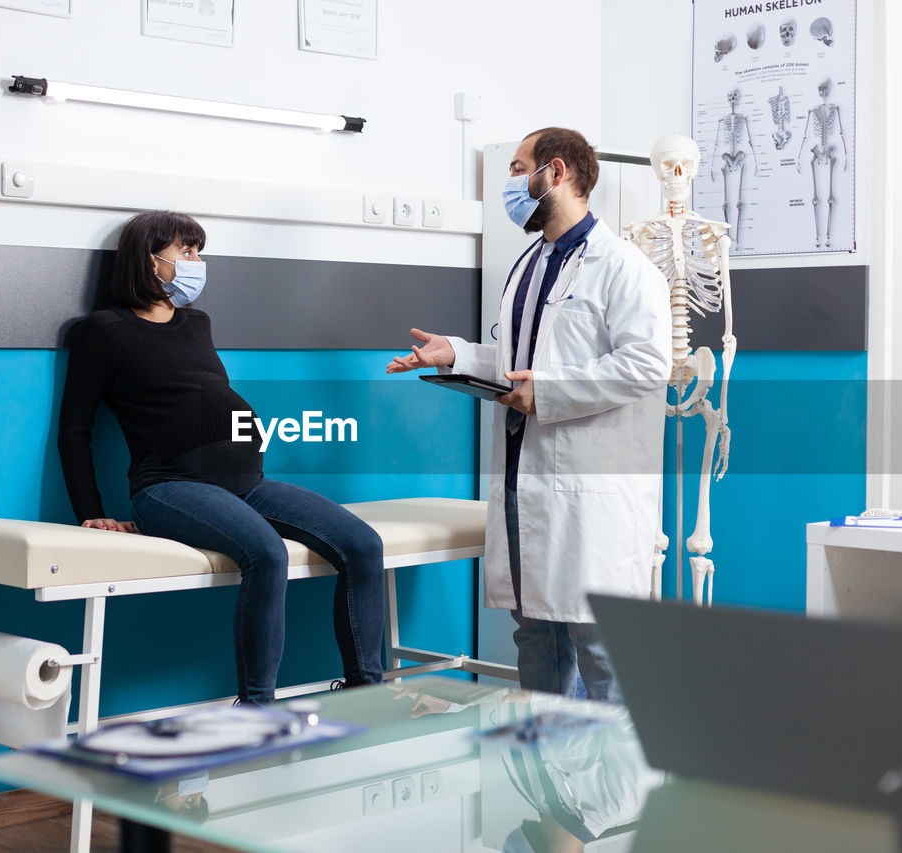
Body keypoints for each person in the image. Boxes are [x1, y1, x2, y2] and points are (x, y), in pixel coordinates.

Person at [387, 128, 670, 702]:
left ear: (557, 172)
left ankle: (615, 792)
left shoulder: (624, 267)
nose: (510, 183)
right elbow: (529, 362)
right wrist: (460, 354)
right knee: (536, 638)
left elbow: (647, 365)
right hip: (528, 482)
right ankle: (547, 786)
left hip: (592, 492)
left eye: (518, 169)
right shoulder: (528, 265)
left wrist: (551, 392)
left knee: (599, 650)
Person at [58, 210, 385, 705]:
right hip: (169, 485)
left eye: (197, 251)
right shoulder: (102, 331)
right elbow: (74, 429)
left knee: (363, 544)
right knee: (266, 554)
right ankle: (257, 708)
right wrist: (90, 511)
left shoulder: (196, 323)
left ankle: (367, 691)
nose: (197, 262)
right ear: (150, 262)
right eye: (186, 252)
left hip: (247, 482)